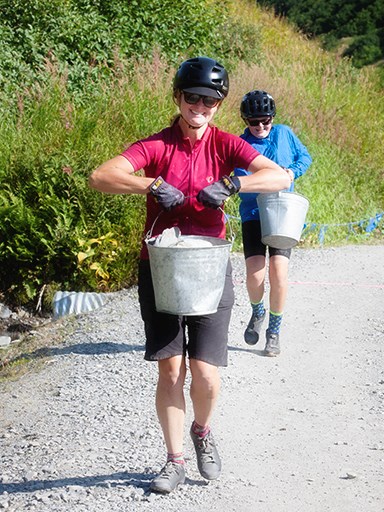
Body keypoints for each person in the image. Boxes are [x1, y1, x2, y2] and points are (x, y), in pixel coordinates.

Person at [89, 59, 290, 494]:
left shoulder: (224, 145)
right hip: (161, 269)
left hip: (210, 269)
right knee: (170, 371)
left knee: (206, 375)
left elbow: (278, 176)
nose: (200, 106)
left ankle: (202, 429)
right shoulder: (157, 145)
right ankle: (174, 459)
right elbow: (101, 175)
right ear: (178, 98)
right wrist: (151, 185)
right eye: (192, 97)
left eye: (209, 100)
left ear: (219, 106)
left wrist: (234, 185)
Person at [234, 90, 312, 356]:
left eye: (265, 121)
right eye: (253, 122)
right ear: (245, 121)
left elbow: (305, 158)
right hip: (254, 214)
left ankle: (274, 331)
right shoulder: (240, 144)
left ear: (272, 118)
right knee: (255, 273)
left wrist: (292, 172)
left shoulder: (284, 134)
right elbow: (241, 181)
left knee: (279, 271)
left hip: (282, 213)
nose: (260, 127)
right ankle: (258, 311)